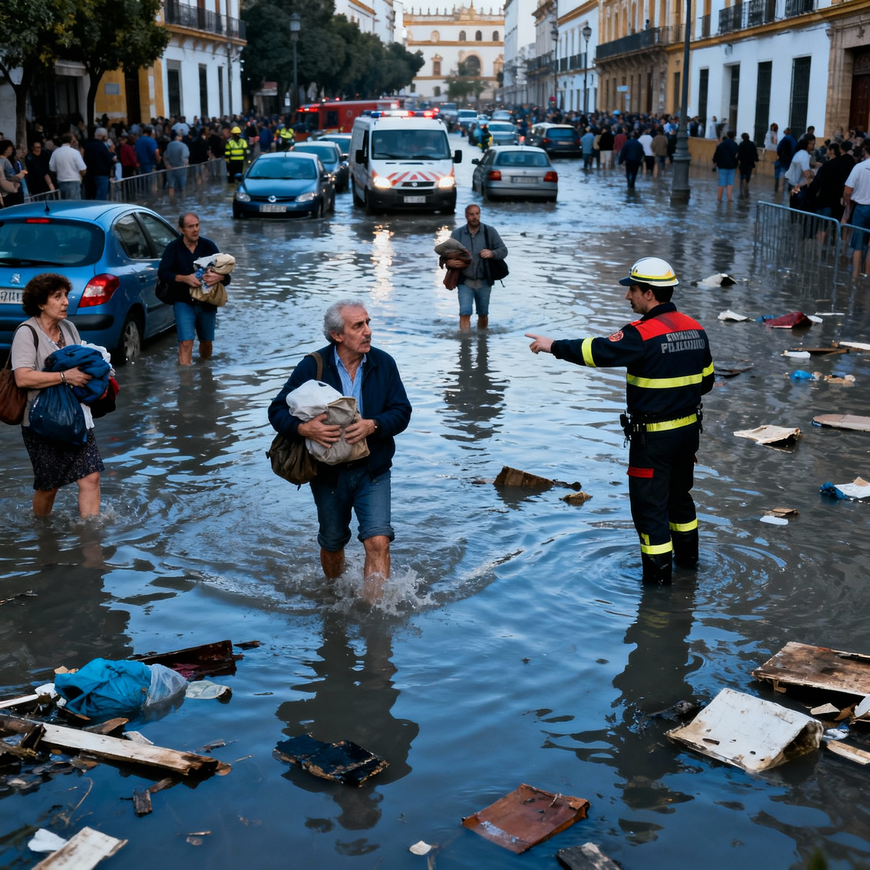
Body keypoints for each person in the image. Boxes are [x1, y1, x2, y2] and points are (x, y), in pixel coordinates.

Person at [525, 257, 714, 585]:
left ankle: (657, 595)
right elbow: (707, 382)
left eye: (633, 290)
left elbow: (596, 352)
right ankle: (689, 569)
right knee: (680, 501)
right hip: (687, 435)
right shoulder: (695, 328)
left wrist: (552, 345)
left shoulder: (641, 334)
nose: (628, 296)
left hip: (652, 442)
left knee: (651, 512)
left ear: (650, 294)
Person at [268, 300, 412, 591]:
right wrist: (302, 428)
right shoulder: (313, 365)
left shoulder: (383, 363)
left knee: (378, 540)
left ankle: (376, 615)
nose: (368, 331)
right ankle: (335, 598)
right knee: (333, 543)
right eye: (358, 326)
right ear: (337, 335)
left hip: (373, 469)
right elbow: (277, 410)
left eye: (368, 323)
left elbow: (402, 411)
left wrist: (375, 425)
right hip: (327, 474)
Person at [11, 274, 104, 517]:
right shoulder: (26, 332)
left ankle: (91, 540)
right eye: (57, 297)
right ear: (41, 304)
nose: (66, 301)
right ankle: (42, 530)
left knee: (91, 477)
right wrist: (64, 377)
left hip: (75, 415)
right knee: (49, 486)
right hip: (41, 421)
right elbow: (22, 377)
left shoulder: (69, 328)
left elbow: (79, 364)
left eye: (65, 295)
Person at [157, 212, 230, 365]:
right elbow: (163, 273)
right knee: (186, 342)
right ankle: (186, 383)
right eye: (190, 227)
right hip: (183, 302)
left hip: (207, 303)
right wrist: (184, 278)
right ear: (181, 229)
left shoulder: (209, 246)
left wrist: (219, 277)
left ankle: (205, 373)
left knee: (206, 342)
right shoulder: (173, 248)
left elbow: (227, 276)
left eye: (197, 225)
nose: (195, 230)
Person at [448, 204, 507, 331]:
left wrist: (492, 253)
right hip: (464, 281)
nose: (475, 217)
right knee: (464, 312)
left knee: (483, 313)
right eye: (472, 214)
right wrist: (450, 263)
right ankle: (465, 342)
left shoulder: (489, 231)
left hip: (484, 280)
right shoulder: (457, 234)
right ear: (466, 216)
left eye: (477, 214)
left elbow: (503, 250)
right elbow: (446, 255)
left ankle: (482, 340)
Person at [842, 138, 870, 280]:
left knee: (858, 245)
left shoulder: (859, 167)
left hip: (861, 209)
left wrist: (848, 205)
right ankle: (867, 276)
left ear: (865, 150)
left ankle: (854, 277)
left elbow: (847, 191)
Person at [48, 133, 86, 199]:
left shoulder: (55, 152)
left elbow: (52, 168)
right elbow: (82, 169)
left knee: (64, 204)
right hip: (74, 181)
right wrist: (80, 176)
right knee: (74, 205)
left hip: (61, 182)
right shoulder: (75, 152)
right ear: (71, 141)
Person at [82, 128, 115, 200]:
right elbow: (108, 159)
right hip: (101, 174)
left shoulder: (88, 145)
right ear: (103, 136)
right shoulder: (101, 146)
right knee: (101, 197)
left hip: (90, 174)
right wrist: (113, 159)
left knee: (91, 196)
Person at [712, 130, 739, 202]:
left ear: (727, 135)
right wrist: (736, 164)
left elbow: (716, 156)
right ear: (734, 136)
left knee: (721, 182)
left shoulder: (721, 145)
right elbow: (737, 156)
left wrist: (715, 162)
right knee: (730, 183)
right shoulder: (735, 145)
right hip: (731, 166)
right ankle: (729, 198)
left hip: (722, 166)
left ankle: (719, 198)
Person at [163, 130, 189, 195]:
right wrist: (187, 165)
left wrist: (167, 165)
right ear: (177, 137)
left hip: (171, 168)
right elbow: (185, 158)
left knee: (171, 186)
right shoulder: (183, 145)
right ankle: (183, 201)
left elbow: (165, 156)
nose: (181, 138)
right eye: (180, 136)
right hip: (181, 168)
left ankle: (171, 201)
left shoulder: (169, 145)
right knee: (182, 187)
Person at [775, 127, 797, 193]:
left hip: (784, 161)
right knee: (790, 182)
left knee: (781, 182)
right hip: (792, 162)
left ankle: (779, 196)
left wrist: (780, 155)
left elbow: (779, 148)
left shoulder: (784, 139)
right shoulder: (794, 139)